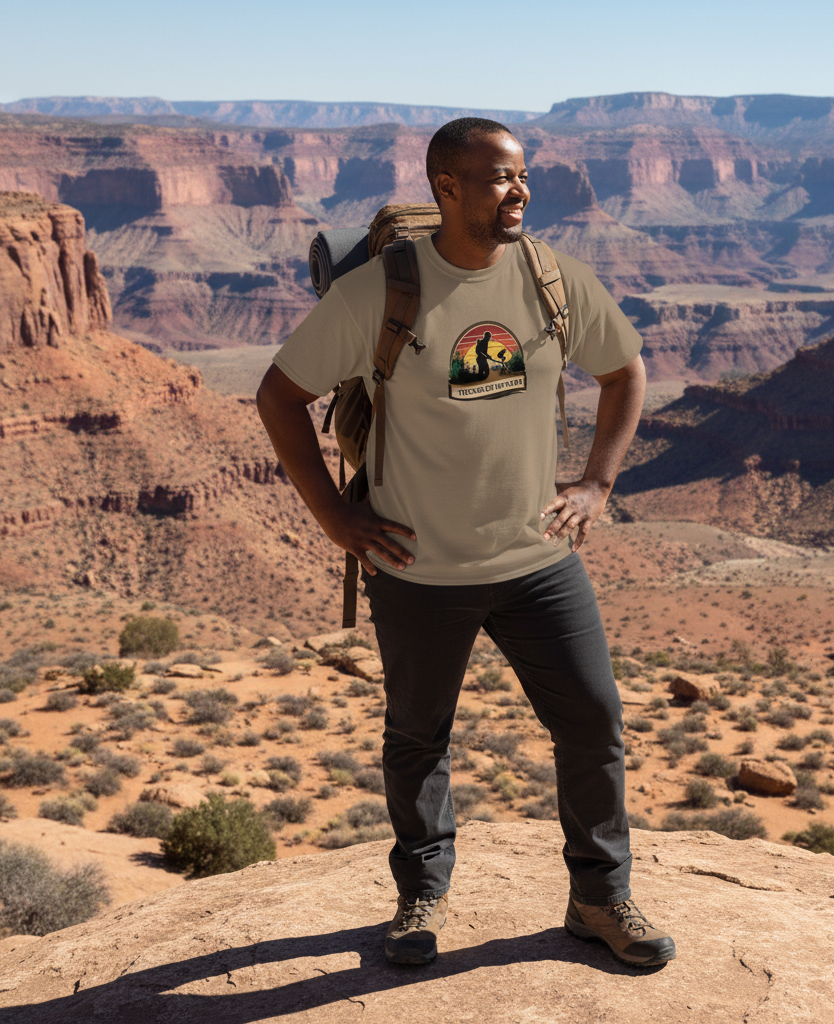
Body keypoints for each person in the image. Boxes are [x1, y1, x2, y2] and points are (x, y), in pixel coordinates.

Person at [256, 118, 676, 969]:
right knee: (418, 738)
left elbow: (625, 370)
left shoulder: (552, 277)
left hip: (538, 562)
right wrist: (337, 520)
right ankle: (420, 899)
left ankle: (599, 898)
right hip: (419, 568)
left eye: (522, 177)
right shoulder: (380, 291)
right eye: (497, 179)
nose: (518, 192)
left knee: (594, 724)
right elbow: (278, 395)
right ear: (447, 186)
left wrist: (596, 484)